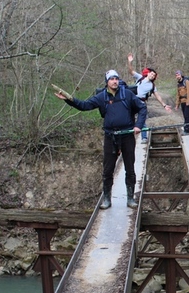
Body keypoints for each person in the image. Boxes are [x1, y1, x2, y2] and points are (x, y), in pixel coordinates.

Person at [55, 69, 147, 210]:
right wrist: (69, 99)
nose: (115, 81)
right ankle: (106, 198)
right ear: (107, 82)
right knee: (108, 169)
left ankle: (130, 198)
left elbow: (142, 108)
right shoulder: (101, 97)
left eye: (116, 78)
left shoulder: (127, 94)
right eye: (112, 79)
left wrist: (138, 125)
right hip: (110, 137)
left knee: (130, 167)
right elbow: (84, 106)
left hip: (127, 136)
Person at [127, 53, 171, 143]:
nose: (152, 75)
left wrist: (164, 105)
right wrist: (129, 62)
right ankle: (129, 137)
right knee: (129, 119)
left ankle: (144, 137)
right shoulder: (140, 78)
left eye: (154, 75)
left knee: (142, 120)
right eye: (151, 74)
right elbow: (131, 71)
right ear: (148, 73)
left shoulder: (152, 86)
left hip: (141, 102)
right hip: (132, 100)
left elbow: (157, 95)